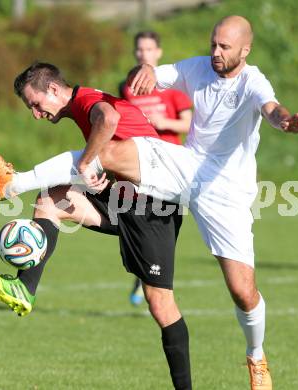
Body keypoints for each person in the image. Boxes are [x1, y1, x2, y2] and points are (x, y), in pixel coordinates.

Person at [0, 16, 298, 389]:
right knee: (51, 201)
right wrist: (147, 67)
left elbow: (270, 108)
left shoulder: (253, 81)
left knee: (238, 291)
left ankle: (256, 356)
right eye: (213, 43)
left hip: (210, 192)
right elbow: (158, 72)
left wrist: (284, 122)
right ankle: (25, 287)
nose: (215, 52)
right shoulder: (199, 66)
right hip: (179, 170)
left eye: (224, 47)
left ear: (245, 50)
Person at [0, 63, 192, 390]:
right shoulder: (82, 106)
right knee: (50, 200)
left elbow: (109, 120)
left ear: (53, 89)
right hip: (123, 195)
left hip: (153, 205)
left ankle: (14, 181)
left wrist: (85, 163)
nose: (36, 114)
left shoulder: (87, 100)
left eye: (36, 104)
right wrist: (90, 169)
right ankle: (24, 288)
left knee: (160, 304)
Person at [119, 30, 192, 305]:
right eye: (139, 50)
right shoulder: (127, 87)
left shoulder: (173, 88)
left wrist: (163, 122)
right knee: (140, 222)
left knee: (167, 226)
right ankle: (145, 275)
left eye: (148, 49)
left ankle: (148, 276)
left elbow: (188, 124)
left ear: (158, 53)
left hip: (171, 168)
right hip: (139, 166)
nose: (143, 54)